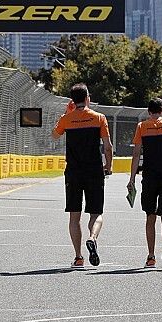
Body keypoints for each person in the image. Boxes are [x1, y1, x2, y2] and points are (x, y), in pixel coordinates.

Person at [52, 83, 113, 268]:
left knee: (74, 216)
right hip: (94, 170)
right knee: (96, 213)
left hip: (73, 172)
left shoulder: (66, 119)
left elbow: (54, 136)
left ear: (72, 100)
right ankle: (93, 238)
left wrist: (67, 114)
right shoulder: (99, 118)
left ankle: (78, 257)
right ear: (88, 98)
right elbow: (108, 147)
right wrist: (108, 166)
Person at [127, 98, 162, 271]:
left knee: (150, 216)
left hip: (150, 176)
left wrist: (132, 178)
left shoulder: (142, 127)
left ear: (148, 111)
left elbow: (136, 154)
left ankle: (151, 256)